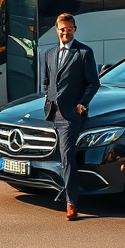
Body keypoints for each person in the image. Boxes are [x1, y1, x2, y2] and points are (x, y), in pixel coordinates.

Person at [43, 13, 100, 221]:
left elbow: (94, 83)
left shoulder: (84, 52)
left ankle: (71, 203)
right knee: (51, 155)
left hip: (70, 116)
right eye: (61, 28)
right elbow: (47, 82)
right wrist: (47, 101)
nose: (64, 31)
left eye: (68, 28)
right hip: (51, 113)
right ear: (56, 30)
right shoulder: (48, 53)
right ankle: (52, 189)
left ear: (74, 30)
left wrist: (82, 104)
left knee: (67, 158)